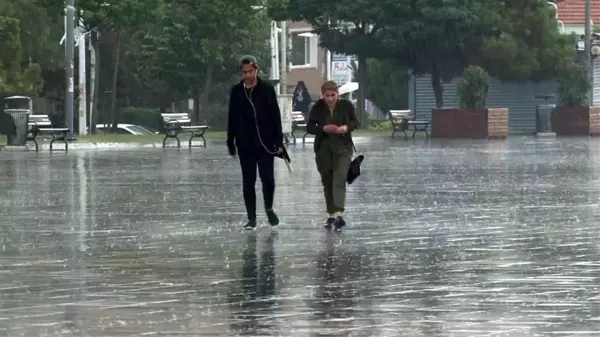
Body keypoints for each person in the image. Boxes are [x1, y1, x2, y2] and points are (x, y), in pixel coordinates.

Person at [227, 55, 284, 230]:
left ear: (256, 70)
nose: (247, 75)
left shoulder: (266, 89)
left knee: (268, 179)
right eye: (244, 72)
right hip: (245, 142)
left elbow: (275, 115)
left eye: (250, 71)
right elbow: (232, 117)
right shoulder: (237, 91)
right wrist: (231, 139)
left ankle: (268, 207)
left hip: (265, 141)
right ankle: (251, 218)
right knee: (248, 180)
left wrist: (278, 140)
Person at [306, 81, 359, 230]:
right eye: (327, 96)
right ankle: (331, 214)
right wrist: (322, 128)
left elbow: (356, 122)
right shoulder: (318, 107)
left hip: (343, 147)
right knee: (327, 182)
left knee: (340, 178)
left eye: (333, 95)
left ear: (337, 94)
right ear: (322, 95)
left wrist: (346, 127)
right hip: (324, 149)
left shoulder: (346, 106)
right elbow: (310, 126)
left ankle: (339, 214)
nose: (330, 99)